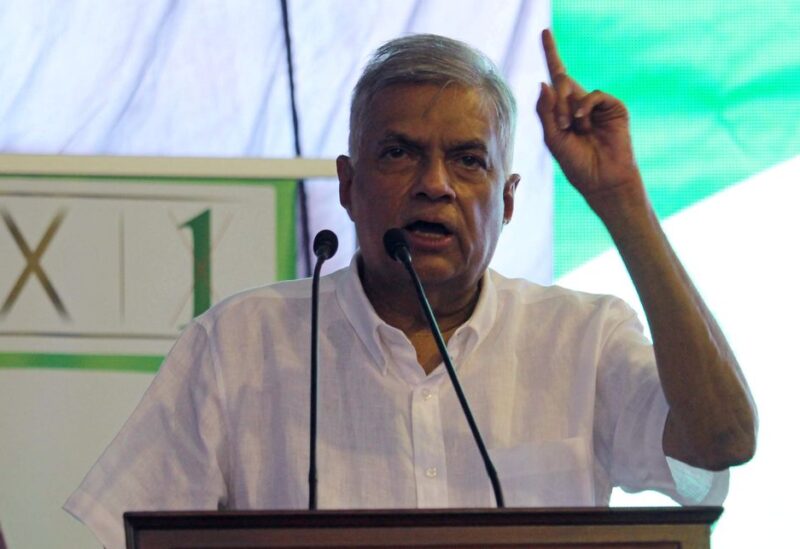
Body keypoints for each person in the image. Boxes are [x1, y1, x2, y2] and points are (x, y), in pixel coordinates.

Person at [65, 30, 756, 549]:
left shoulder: (585, 338)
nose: (434, 183)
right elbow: (134, 529)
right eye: (399, 152)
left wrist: (621, 199)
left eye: (468, 159)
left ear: (508, 200)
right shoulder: (240, 344)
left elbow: (722, 438)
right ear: (347, 183)